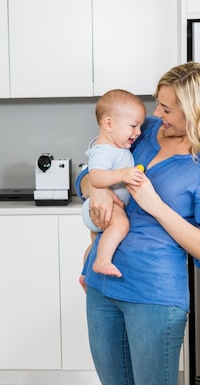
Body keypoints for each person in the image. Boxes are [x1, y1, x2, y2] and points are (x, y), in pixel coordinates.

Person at [76, 62, 200, 385]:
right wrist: (94, 189)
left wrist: (157, 207)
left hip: (153, 296)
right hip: (101, 282)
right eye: (158, 103)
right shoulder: (146, 131)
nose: (157, 113)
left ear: (195, 111)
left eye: (166, 108)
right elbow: (89, 172)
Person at [81, 89, 147, 277]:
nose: (138, 132)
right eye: (133, 126)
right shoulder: (104, 150)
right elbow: (96, 177)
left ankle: (86, 274)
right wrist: (122, 174)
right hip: (107, 206)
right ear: (109, 124)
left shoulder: (115, 147)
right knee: (121, 225)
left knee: (96, 244)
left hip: (108, 205)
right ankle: (103, 261)